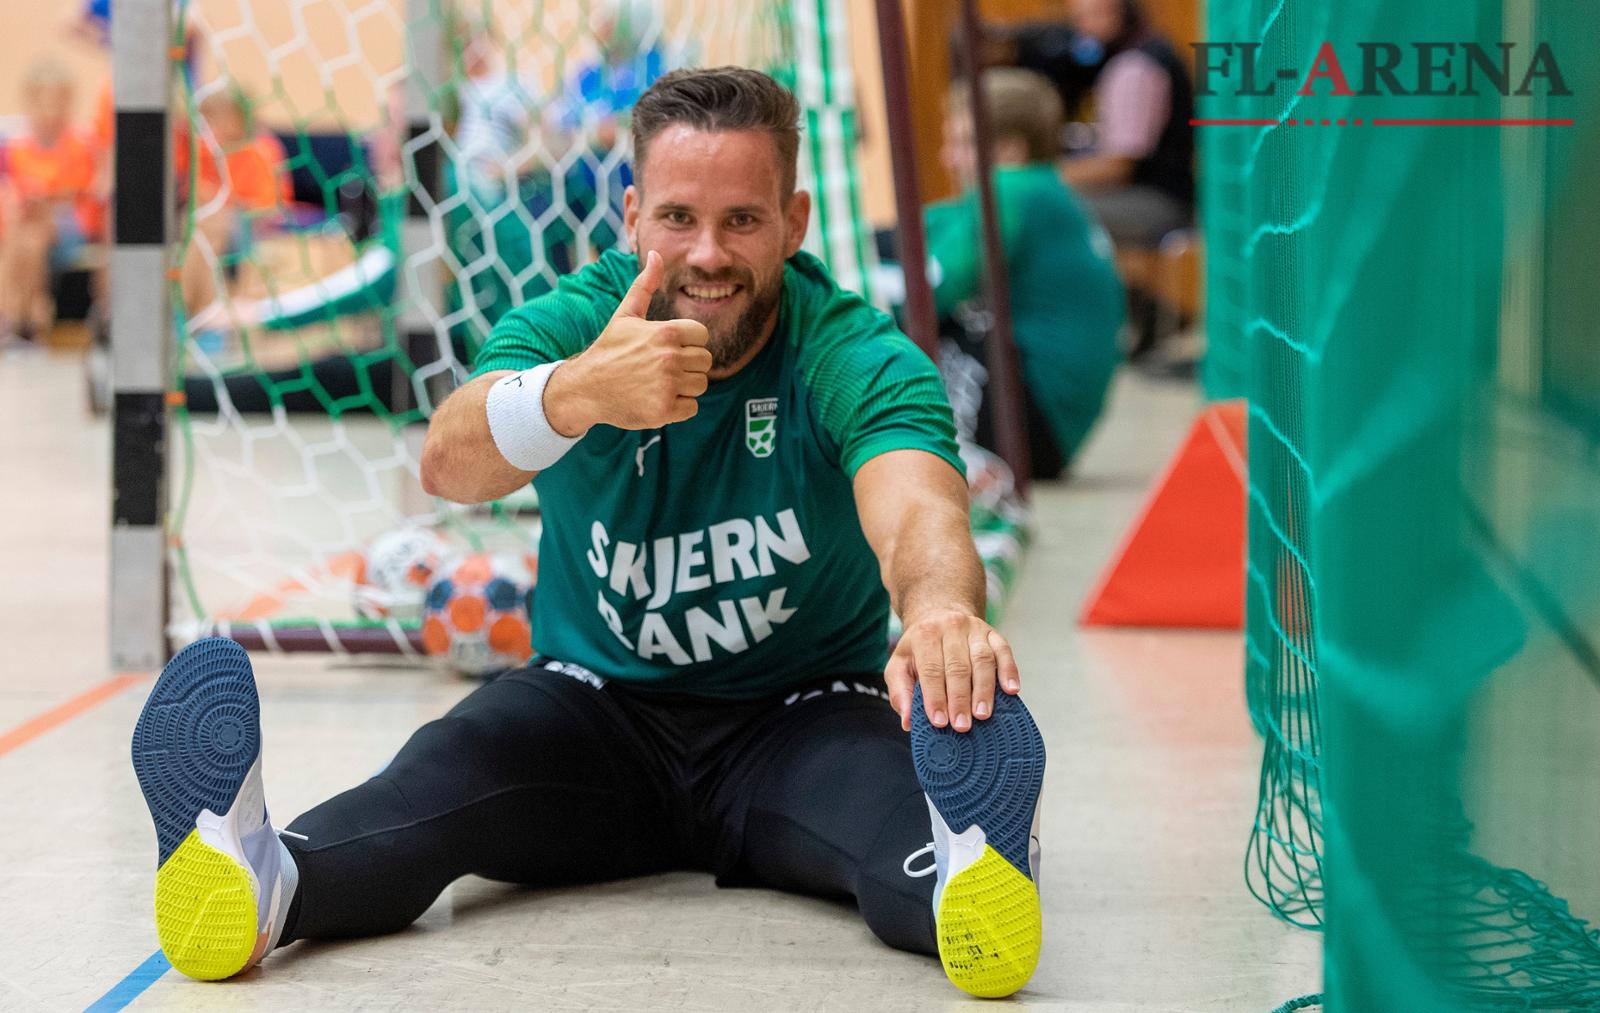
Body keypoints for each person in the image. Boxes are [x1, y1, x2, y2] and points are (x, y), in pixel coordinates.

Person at [131, 68, 1047, 999]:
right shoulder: (576, 323)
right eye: (679, 217)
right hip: (593, 706)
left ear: (795, 222)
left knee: (892, 835)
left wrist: (938, 612)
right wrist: (574, 395)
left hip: (801, 714)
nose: (708, 254)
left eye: (742, 220)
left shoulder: (850, 349)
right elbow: (448, 462)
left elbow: (918, 504)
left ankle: (972, 870)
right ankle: (262, 878)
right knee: (433, 781)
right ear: (633, 215)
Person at [928, 69, 1124, 478]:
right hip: (1057, 427)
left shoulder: (1008, 188)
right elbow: (934, 223)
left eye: (962, 143)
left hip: (1035, 422)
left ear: (1010, 150)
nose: (947, 157)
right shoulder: (1043, 190)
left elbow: (935, 288)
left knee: (896, 326)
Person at [1060, 0, 1193, 251]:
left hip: (1161, 202)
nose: (1085, 27)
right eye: (1078, 18)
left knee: (1047, 208)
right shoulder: (1137, 55)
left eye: (1096, 15)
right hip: (1156, 196)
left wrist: (1046, 178)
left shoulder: (1134, 67)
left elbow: (1117, 167)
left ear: (1123, 12)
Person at [0, 59, 103, 345]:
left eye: (57, 103)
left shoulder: (80, 144)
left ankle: (18, 319)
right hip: (30, 229)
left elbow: (77, 193)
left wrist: (44, 199)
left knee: (32, 230)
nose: (50, 112)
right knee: (29, 240)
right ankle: (25, 319)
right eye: (43, 103)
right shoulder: (17, 148)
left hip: (72, 227)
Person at [177, 83, 293, 321]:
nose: (210, 127)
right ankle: (199, 306)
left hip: (254, 222)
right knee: (202, 226)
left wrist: (223, 201)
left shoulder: (261, 149)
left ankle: (192, 305)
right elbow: (192, 191)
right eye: (206, 120)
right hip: (210, 223)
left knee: (211, 225)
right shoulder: (205, 150)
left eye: (215, 119)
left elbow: (268, 204)